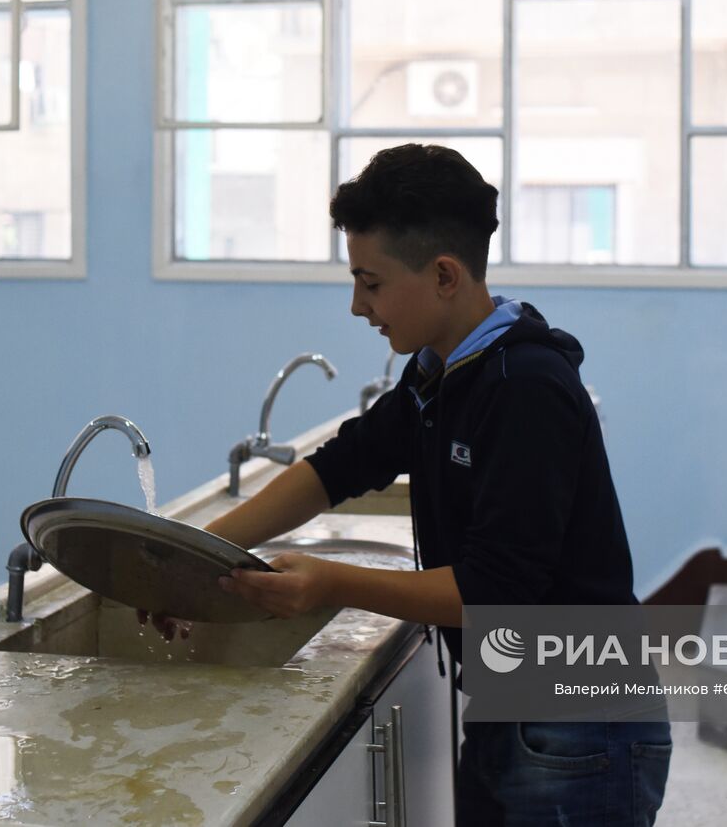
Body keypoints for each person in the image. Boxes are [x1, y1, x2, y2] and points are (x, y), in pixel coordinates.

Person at [170, 144, 671, 826]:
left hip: (581, 725)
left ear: (443, 275)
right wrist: (189, 556)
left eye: (371, 283)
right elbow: (341, 466)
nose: (357, 306)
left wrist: (330, 582)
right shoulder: (442, 372)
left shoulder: (525, 386)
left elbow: (495, 591)